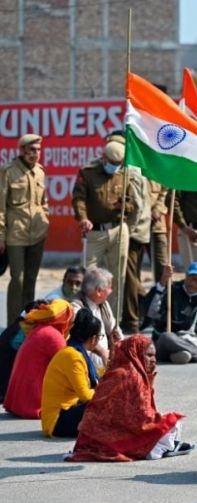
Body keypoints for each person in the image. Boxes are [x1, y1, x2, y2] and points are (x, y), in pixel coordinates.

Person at [66, 335, 191, 461]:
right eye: (148, 355)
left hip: (97, 437)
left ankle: (160, 446)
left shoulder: (119, 371)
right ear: (134, 353)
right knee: (172, 422)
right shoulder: (131, 376)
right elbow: (142, 419)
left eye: (154, 356)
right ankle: (157, 448)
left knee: (166, 424)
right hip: (112, 437)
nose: (153, 360)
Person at [72, 136, 136, 311]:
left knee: (117, 277)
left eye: (118, 163)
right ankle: (87, 315)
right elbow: (79, 199)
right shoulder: (88, 173)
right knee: (88, 276)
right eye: (112, 162)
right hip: (95, 232)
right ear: (104, 157)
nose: (114, 166)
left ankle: (114, 320)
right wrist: (83, 218)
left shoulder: (124, 174)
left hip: (117, 230)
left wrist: (125, 206)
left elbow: (132, 203)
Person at [0, 133, 49, 325]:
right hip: (15, 234)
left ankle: (29, 321)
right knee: (17, 279)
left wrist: (45, 219)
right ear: (22, 151)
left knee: (31, 279)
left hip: (37, 233)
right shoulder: (8, 171)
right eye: (32, 150)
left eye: (38, 150)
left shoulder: (40, 171)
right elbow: (1, 206)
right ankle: (14, 323)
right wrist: (1, 235)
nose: (36, 154)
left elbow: (44, 201)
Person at [3, 300, 74, 419]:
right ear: (64, 318)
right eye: (70, 317)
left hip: (17, 402)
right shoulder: (53, 335)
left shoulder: (39, 329)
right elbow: (68, 368)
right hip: (32, 404)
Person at [40, 308, 102, 438]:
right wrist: (106, 392)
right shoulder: (73, 356)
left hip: (68, 411)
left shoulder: (75, 353)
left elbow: (99, 377)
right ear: (94, 338)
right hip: (57, 420)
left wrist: (105, 356)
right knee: (103, 403)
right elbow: (85, 395)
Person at [123, 175, 168, 334]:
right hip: (136, 227)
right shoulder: (133, 169)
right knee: (132, 274)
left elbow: (165, 190)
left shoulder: (158, 164)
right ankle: (141, 309)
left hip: (156, 225)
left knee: (163, 270)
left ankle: (166, 314)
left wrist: (158, 209)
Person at [71, 268, 122, 369]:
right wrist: (102, 352)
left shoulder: (103, 304)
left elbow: (115, 330)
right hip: (84, 364)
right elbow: (81, 338)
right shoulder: (76, 307)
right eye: (109, 287)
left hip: (105, 362)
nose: (111, 291)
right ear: (99, 291)